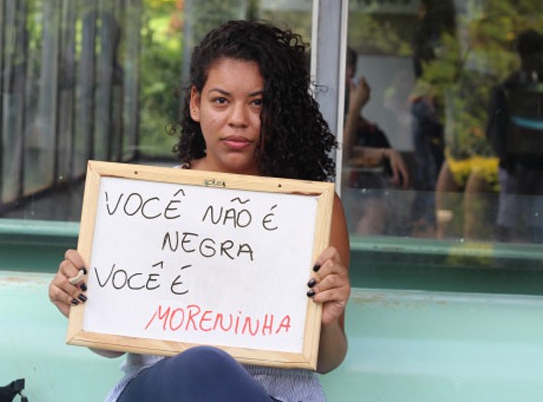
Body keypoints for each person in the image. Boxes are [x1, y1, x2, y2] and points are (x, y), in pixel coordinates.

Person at [48, 20, 351, 402]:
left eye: (258, 103)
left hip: (272, 395)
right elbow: (110, 346)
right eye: (221, 100)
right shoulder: (143, 201)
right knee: (200, 365)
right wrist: (79, 304)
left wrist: (328, 321)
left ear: (280, 111)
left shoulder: (312, 210)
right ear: (195, 103)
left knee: (205, 366)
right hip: (160, 390)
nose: (238, 119)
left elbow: (326, 360)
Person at [342, 46, 410, 234]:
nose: (350, 74)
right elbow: (341, 154)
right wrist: (354, 110)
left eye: (352, 68)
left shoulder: (371, 129)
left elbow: (349, 151)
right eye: (345, 67)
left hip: (362, 195)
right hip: (345, 195)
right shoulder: (324, 108)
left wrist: (386, 153)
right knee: (374, 211)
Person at [487, 29, 543, 242]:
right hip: (515, 165)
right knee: (513, 223)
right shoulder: (508, 87)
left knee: (515, 223)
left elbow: (494, 128)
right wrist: (507, 157)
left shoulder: (508, 86)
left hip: (520, 165)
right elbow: (495, 127)